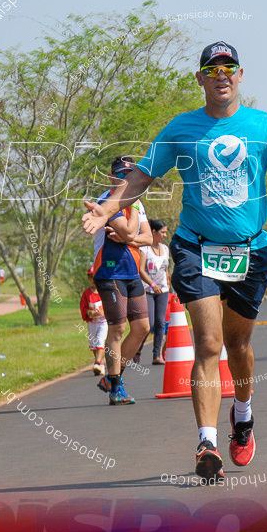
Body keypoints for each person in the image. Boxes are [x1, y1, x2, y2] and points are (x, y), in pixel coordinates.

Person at [82, 40, 267, 481]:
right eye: (212, 68)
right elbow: (141, 177)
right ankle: (207, 442)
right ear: (201, 79)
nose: (221, 74)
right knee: (208, 342)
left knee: (239, 345)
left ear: (240, 75)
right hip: (195, 247)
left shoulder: (263, 126)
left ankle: (242, 416)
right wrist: (109, 208)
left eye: (229, 67)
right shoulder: (181, 128)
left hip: (250, 250)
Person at [91, 155, 153, 405]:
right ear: (111, 177)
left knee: (142, 328)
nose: (125, 179)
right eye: (120, 175)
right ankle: (116, 387)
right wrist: (134, 209)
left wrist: (128, 238)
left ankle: (112, 378)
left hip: (132, 272)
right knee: (117, 329)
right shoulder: (105, 202)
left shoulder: (138, 205)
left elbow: (148, 238)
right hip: (109, 272)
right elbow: (129, 230)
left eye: (129, 175)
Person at [138, 219, 171, 365]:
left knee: (160, 323)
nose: (164, 235)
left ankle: (156, 355)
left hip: (163, 290)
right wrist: (152, 284)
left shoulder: (165, 248)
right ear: (153, 232)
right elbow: (141, 270)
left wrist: (168, 281)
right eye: (162, 232)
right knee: (149, 323)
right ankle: (137, 348)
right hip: (148, 289)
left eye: (165, 232)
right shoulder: (144, 249)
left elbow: (165, 268)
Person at [80, 266, 107, 375]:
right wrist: (88, 312)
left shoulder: (104, 291)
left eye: (95, 277)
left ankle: (97, 362)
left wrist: (104, 312)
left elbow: (110, 304)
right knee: (93, 344)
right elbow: (83, 306)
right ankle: (100, 365)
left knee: (100, 340)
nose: (93, 280)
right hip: (92, 323)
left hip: (103, 322)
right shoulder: (87, 293)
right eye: (91, 277)